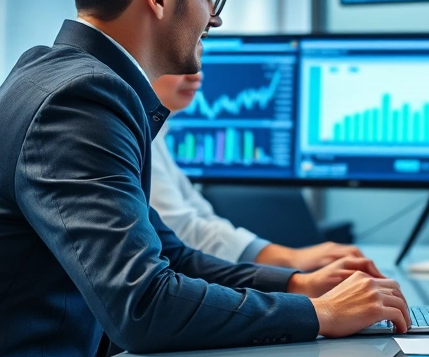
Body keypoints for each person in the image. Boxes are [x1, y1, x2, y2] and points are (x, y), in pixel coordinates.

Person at [0, 0, 411, 357]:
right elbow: (143, 305)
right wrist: (319, 316)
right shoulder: (81, 100)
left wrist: (300, 284)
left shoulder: (68, 78)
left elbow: (171, 255)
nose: (214, 19)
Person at [150, 72, 363, 270]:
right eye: (176, 60)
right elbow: (179, 232)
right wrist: (291, 260)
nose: (196, 75)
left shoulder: (155, 132)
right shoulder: (139, 138)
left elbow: (202, 217)